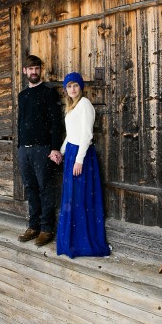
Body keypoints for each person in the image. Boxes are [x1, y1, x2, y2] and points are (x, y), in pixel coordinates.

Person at [51, 72, 111, 259]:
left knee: (80, 197)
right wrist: (61, 152)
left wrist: (79, 159)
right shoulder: (71, 107)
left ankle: (83, 242)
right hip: (71, 153)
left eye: (75, 85)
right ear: (66, 89)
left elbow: (86, 135)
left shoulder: (85, 104)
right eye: (69, 86)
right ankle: (71, 240)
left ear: (81, 87)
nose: (72, 89)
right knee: (71, 197)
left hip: (81, 155)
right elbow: (70, 135)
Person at [17, 54, 63, 247]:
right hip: (24, 150)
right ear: (25, 71)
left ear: (40, 71)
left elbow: (56, 122)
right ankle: (33, 226)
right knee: (30, 188)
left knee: (45, 188)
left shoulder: (48, 92)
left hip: (42, 149)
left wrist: (54, 148)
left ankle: (46, 229)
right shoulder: (23, 95)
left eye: (37, 68)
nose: (34, 72)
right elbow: (21, 122)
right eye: (31, 69)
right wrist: (20, 146)